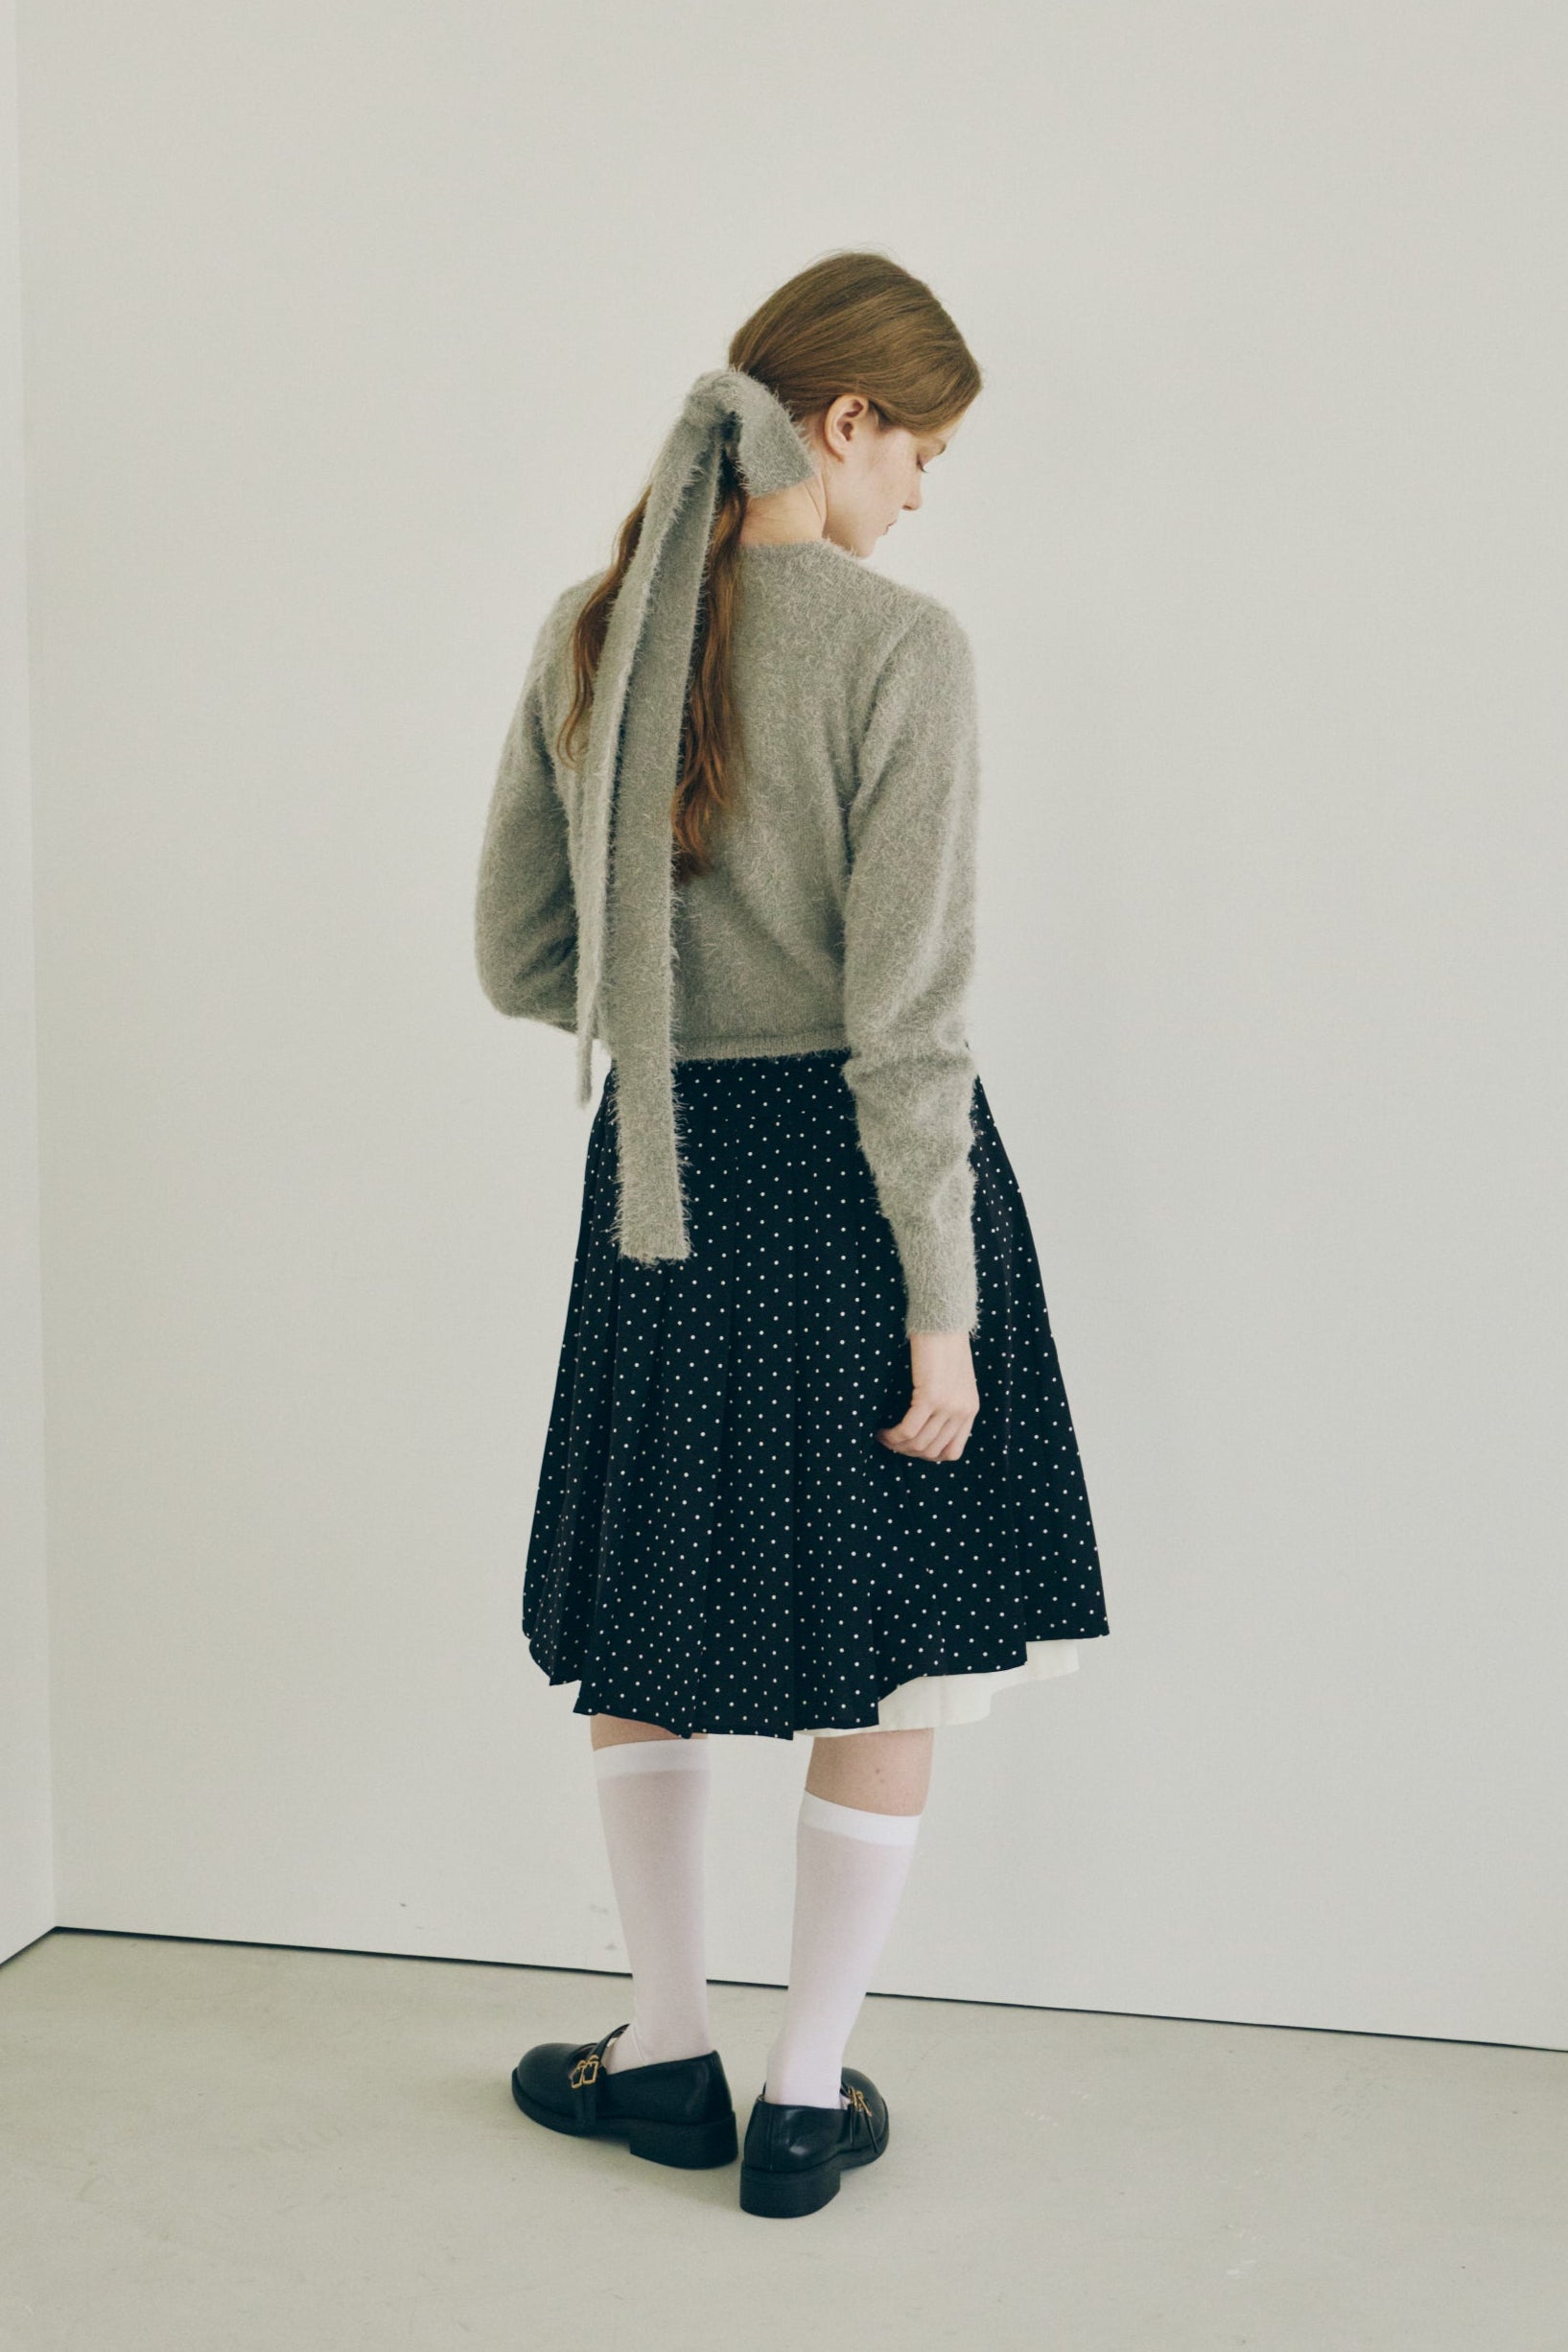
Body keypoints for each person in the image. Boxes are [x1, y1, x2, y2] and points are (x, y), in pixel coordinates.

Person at [474, 249, 1110, 2220]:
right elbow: (907, 1024)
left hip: (663, 1183)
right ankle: (806, 2097)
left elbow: (522, 958)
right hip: (853, 1194)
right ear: (844, 422)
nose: (918, 492)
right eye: (920, 451)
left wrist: (675, 994)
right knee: (884, 1649)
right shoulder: (901, 648)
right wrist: (945, 1309)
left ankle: (664, 2048)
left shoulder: (592, 628)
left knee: (649, 1617)